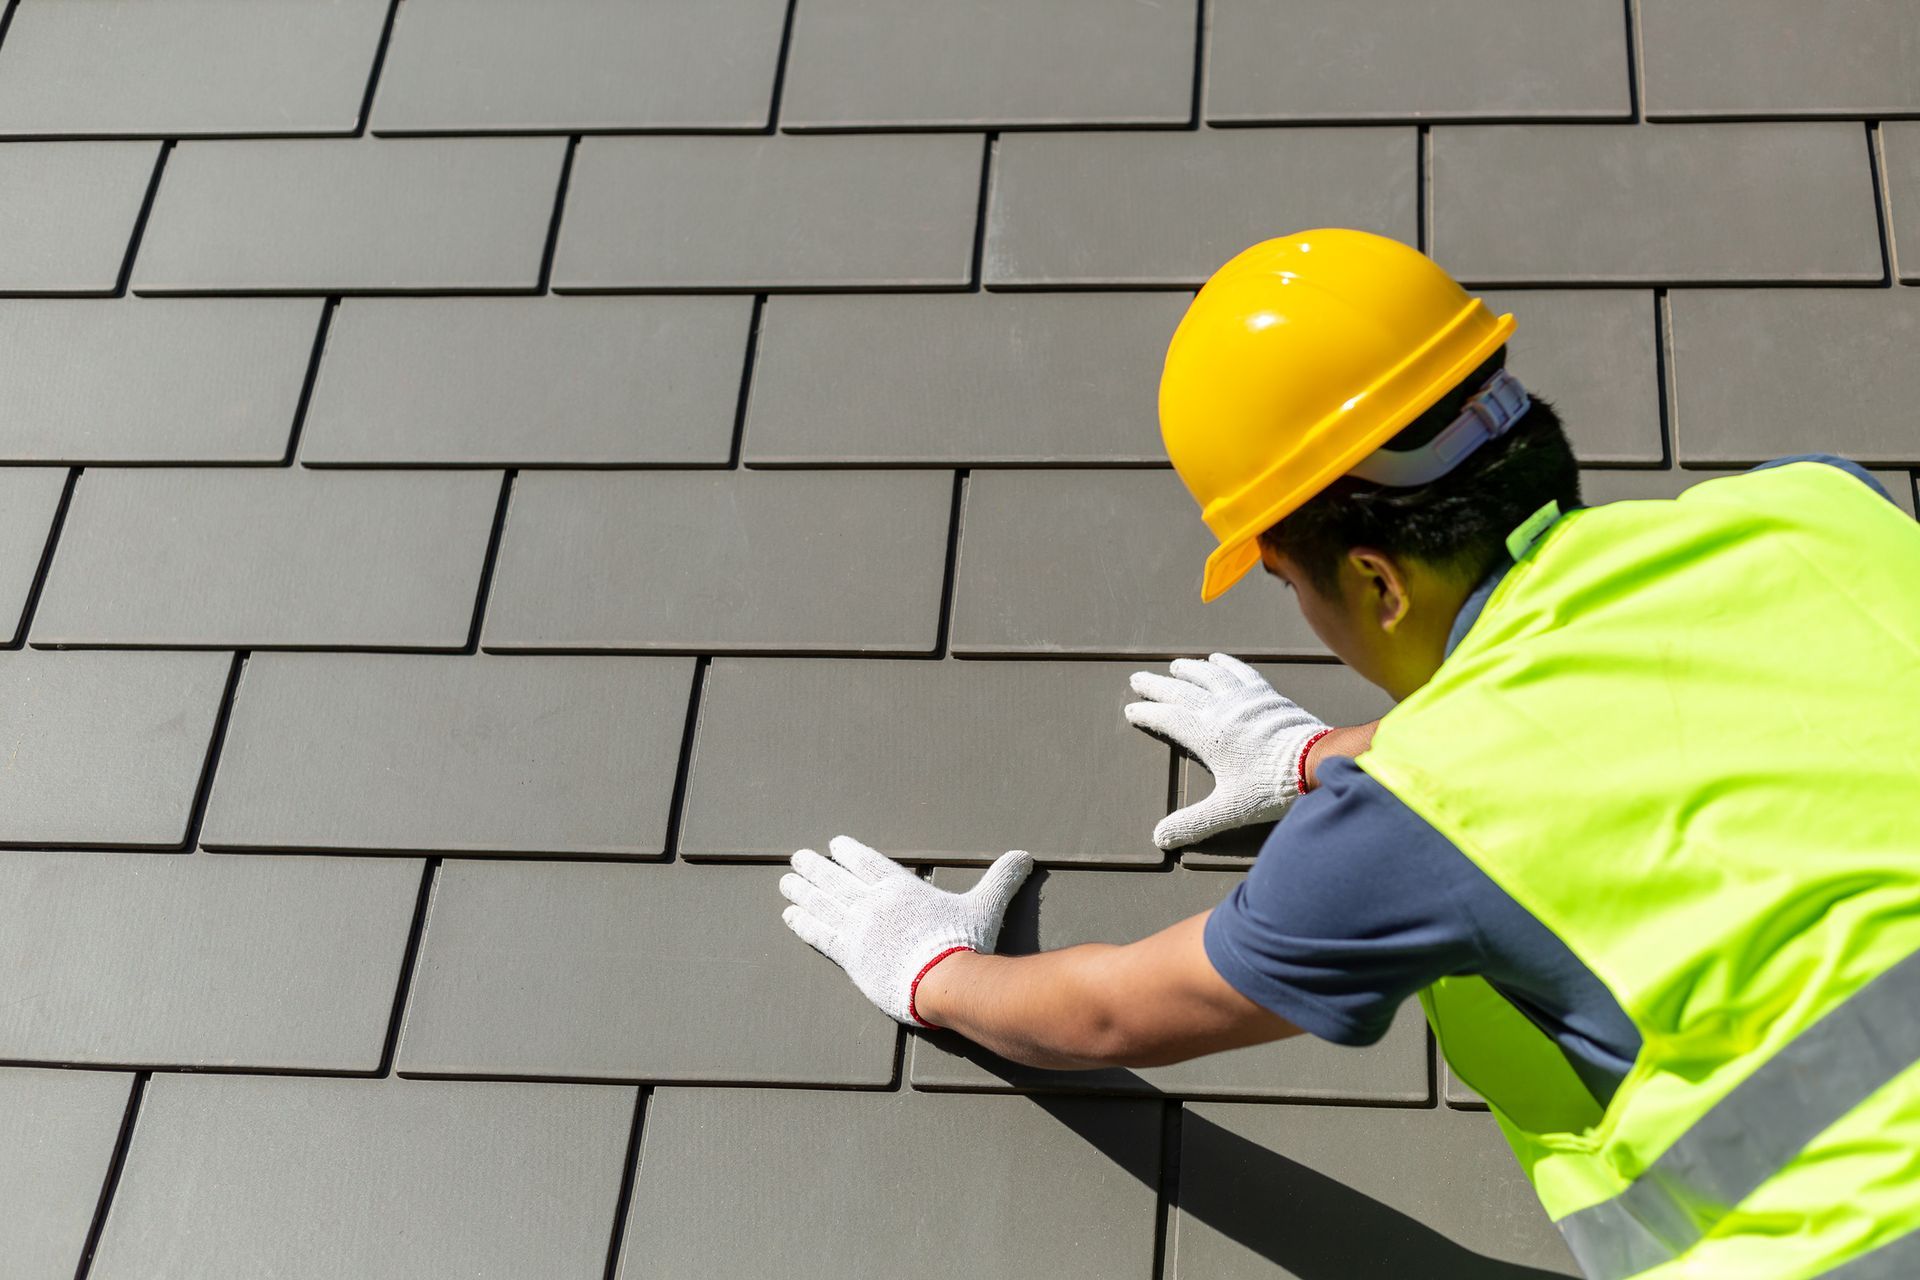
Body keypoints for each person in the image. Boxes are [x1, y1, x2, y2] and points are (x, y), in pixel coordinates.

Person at [777, 229, 1920, 1278]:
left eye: (1287, 584)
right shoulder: (1817, 511)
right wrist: (1322, 754)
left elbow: (1116, 1013)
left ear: (1373, 577)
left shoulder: (1417, 823)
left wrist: (932, 967)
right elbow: (1685, 700)